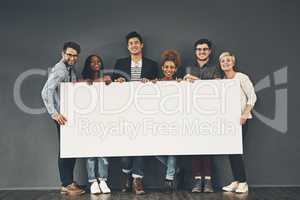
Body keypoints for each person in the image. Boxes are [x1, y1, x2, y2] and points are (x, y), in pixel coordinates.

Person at [113, 31, 159, 195]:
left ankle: (137, 179)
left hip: (144, 111)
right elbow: (112, 86)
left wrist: (152, 83)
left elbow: (158, 86)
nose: (134, 45)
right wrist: (117, 81)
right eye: (131, 43)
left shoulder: (152, 64)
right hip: (124, 111)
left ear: (141, 45)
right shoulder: (120, 63)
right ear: (128, 47)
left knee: (141, 146)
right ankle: (127, 175)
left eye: (136, 43)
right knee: (125, 148)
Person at [41, 41, 85, 196]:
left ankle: (69, 181)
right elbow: (46, 92)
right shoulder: (59, 70)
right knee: (65, 150)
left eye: (75, 55)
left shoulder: (69, 68)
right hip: (62, 116)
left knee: (70, 148)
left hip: (68, 115)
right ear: (63, 54)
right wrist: (54, 114)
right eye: (69, 54)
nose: (72, 57)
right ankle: (66, 184)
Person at [183, 39, 222, 193]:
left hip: (210, 113)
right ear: (195, 52)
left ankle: (208, 182)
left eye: (205, 49)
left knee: (207, 148)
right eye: (199, 49)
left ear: (210, 51)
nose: (202, 52)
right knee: (195, 148)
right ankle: (198, 181)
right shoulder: (188, 68)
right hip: (192, 114)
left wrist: (197, 81)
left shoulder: (215, 69)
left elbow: (217, 89)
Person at [219, 52, 257, 193]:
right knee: (231, 151)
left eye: (228, 60)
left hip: (241, 120)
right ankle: (236, 180)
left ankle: (243, 182)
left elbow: (252, 96)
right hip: (228, 122)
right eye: (223, 61)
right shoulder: (222, 80)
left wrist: (245, 113)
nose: (225, 63)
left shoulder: (241, 77)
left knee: (236, 151)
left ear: (233, 63)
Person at [80, 54, 112, 194]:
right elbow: (77, 90)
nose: (96, 63)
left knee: (104, 152)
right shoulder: (83, 79)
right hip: (89, 121)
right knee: (91, 153)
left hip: (103, 120)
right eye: (93, 62)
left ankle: (103, 180)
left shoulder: (106, 78)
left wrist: (109, 82)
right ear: (88, 64)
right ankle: (93, 181)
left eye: (99, 61)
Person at [155, 50, 182, 192]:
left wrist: (182, 84)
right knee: (154, 150)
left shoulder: (180, 82)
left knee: (172, 151)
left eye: (172, 67)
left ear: (176, 69)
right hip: (160, 123)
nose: (169, 70)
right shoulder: (157, 82)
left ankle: (169, 180)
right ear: (162, 68)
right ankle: (175, 168)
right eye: (166, 67)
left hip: (175, 122)